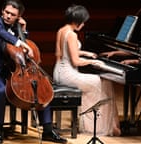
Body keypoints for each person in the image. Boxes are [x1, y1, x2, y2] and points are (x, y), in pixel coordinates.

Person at [0, 0, 67, 143]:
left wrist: (23, 31)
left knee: (39, 88)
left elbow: (22, 53)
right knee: (1, 91)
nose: (8, 16)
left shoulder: (16, 27)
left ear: (18, 16)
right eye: (6, 12)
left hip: (14, 70)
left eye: (12, 15)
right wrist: (21, 42)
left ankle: (48, 131)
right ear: (2, 11)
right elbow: (5, 36)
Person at [53, 4, 121, 136]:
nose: (83, 25)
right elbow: (76, 61)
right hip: (68, 75)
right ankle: (98, 127)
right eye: (83, 22)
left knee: (103, 82)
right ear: (77, 20)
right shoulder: (72, 34)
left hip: (58, 72)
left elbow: (63, 53)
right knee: (102, 82)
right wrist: (93, 61)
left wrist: (86, 53)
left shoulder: (61, 30)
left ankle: (107, 124)